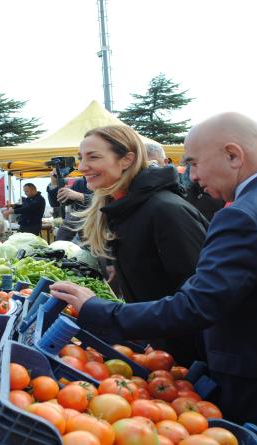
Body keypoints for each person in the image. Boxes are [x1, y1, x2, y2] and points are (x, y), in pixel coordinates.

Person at [51, 113, 257, 445]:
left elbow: (196, 304)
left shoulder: (242, 214)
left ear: (233, 155)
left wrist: (99, 310)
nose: (192, 177)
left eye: (195, 163)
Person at [74, 125, 209, 362]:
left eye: (93, 157)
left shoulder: (166, 210)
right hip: (160, 350)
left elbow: (199, 300)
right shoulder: (120, 209)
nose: (82, 167)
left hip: (190, 357)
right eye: (81, 158)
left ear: (127, 159)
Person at [46, 170, 91, 242]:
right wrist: (54, 184)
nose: (81, 167)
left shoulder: (111, 181)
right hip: (80, 232)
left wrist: (81, 196)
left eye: (93, 158)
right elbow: (56, 203)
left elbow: (107, 200)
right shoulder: (79, 183)